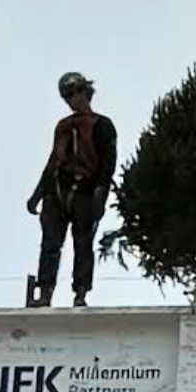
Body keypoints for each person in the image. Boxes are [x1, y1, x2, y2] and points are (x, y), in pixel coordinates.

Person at [26, 71, 118, 306]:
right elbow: (53, 160)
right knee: (50, 244)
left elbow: (107, 165)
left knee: (83, 243)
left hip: (85, 192)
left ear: (84, 92)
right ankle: (45, 292)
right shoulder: (64, 126)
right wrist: (37, 194)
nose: (71, 100)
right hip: (57, 191)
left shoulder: (102, 125)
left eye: (73, 93)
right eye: (66, 96)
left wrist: (100, 195)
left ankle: (80, 293)